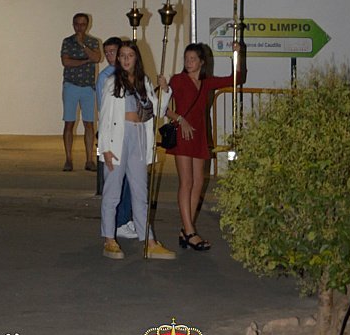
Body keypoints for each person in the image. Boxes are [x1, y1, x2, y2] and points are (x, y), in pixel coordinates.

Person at [159, 40, 246, 251]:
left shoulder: (206, 83)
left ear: (201, 62)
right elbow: (162, 107)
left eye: (193, 59)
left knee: (198, 182)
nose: (189, 62)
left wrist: (238, 55)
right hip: (183, 133)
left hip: (199, 135)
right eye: (186, 59)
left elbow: (237, 78)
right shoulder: (179, 80)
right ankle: (190, 231)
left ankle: (186, 229)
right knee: (186, 182)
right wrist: (180, 118)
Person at [98, 41, 175, 259]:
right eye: (122, 55)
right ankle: (109, 239)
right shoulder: (112, 82)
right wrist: (105, 148)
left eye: (130, 55)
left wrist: (165, 90)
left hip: (139, 139)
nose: (125, 59)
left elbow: (157, 110)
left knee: (140, 192)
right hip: (118, 140)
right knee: (112, 192)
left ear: (136, 58)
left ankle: (149, 241)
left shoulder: (144, 82)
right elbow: (104, 116)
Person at [95, 36, 134, 237]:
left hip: (128, 134)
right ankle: (117, 224)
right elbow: (105, 112)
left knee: (129, 182)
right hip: (113, 136)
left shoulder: (130, 75)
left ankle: (125, 219)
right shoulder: (106, 78)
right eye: (107, 52)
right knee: (115, 184)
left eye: (114, 52)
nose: (110, 56)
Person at [60, 12, 102, 172]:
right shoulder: (67, 41)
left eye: (83, 24)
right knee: (69, 123)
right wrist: (85, 60)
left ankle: (89, 159)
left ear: (88, 25)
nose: (80, 27)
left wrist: (83, 45)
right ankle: (68, 159)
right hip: (71, 86)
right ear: (73, 25)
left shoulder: (93, 42)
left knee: (89, 124)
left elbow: (97, 58)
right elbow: (66, 62)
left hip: (88, 87)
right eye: (77, 24)